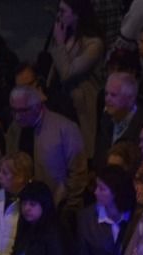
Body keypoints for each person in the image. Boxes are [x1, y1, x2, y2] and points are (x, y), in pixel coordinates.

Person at [7, 84, 88, 208]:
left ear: (38, 106)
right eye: (14, 110)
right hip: (23, 206)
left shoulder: (65, 129)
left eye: (23, 110)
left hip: (56, 207)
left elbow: (78, 173)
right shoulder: (15, 129)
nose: (17, 116)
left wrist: (68, 207)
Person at [47, 0, 103, 158]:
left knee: (79, 153)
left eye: (63, 11)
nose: (59, 15)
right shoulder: (66, 35)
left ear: (77, 14)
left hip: (80, 107)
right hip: (60, 103)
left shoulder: (93, 44)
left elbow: (67, 73)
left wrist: (59, 43)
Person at [94, 70, 143, 168]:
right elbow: (99, 159)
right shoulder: (106, 118)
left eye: (113, 95)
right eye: (106, 94)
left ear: (130, 99)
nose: (107, 99)